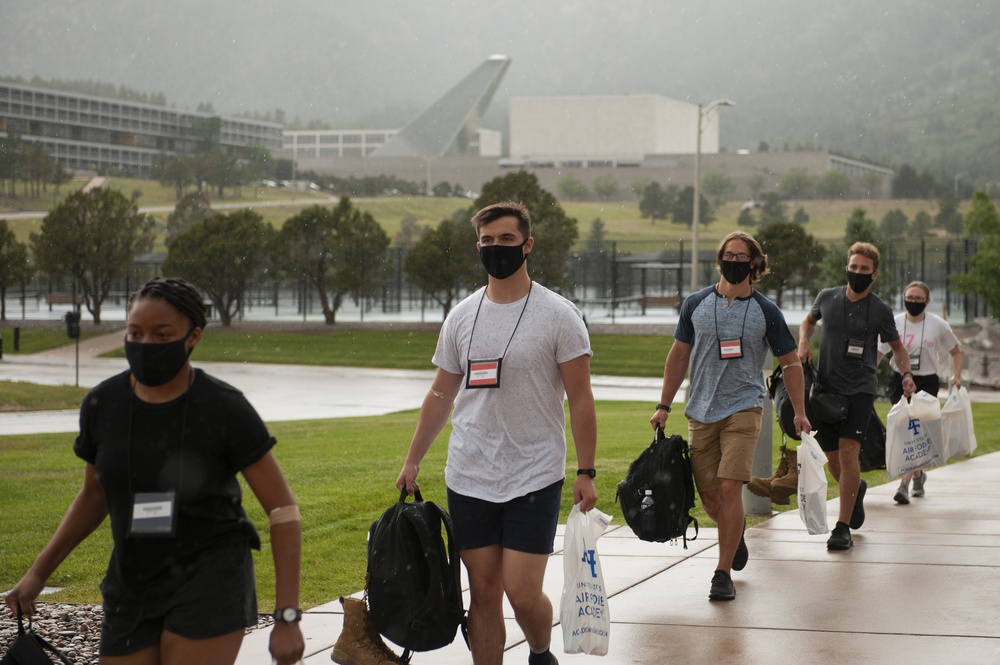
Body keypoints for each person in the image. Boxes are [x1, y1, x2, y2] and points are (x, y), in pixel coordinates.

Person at [4, 277, 305, 665]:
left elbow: (283, 511)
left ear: (193, 336)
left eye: (162, 336)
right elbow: (93, 496)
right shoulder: (102, 404)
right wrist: (37, 574)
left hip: (211, 577)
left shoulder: (224, 408)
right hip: (132, 582)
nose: (145, 345)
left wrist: (287, 616)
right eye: (135, 333)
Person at [395, 201, 597, 665]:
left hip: (534, 472)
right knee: (484, 593)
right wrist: (412, 460)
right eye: (487, 241)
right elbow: (440, 395)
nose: (496, 249)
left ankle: (541, 650)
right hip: (469, 475)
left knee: (522, 592)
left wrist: (585, 470)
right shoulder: (462, 317)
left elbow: (581, 399)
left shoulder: (559, 315)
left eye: (506, 240)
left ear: (527, 245)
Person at [650, 231, 810, 602]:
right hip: (701, 411)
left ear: (755, 265)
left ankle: (722, 573)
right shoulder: (696, 304)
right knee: (709, 499)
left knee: (728, 487)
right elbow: (677, 356)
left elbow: (790, 363)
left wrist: (799, 411)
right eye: (728, 255)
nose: (734, 262)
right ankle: (732, 536)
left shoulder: (766, 312)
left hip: (745, 407)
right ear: (719, 259)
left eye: (742, 257)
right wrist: (663, 405)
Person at [798, 242, 914, 551]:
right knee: (834, 460)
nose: (857, 273)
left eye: (864, 269)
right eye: (854, 267)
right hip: (825, 390)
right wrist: (804, 343)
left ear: (874, 274)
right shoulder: (827, 297)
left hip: (861, 389)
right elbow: (808, 322)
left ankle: (842, 526)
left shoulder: (880, 310)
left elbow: (897, 347)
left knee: (849, 454)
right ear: (847, 267)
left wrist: (905, 374)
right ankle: (855, 489)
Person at [877, 280, 964, 504]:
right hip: (899, 379)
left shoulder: (938, 325)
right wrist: (868, 373)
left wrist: (957, 376)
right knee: (905, 430)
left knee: (919, 431)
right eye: (910, 297)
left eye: (918, 298)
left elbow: (957, 351)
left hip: (926, 381)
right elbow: (880, 351)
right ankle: (917, 475)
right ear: (903, 298)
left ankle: (904, 484)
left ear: (927, 301)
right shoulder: (894, 322)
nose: (913, 302)